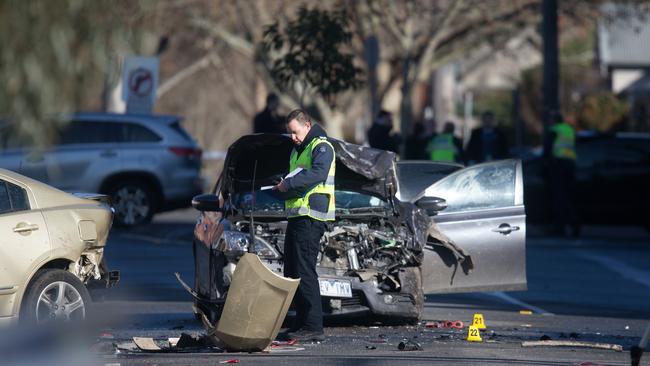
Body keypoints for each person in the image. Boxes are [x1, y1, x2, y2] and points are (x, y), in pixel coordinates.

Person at [273, 109, 335, 342]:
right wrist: (281, 185)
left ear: (307, 125)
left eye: (295, 132)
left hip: (312, 217)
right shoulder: (297, 150)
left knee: (304, 271)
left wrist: (288, 184)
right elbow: (297, 181)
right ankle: (300, 323)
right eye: (289, 133)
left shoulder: (321, 146)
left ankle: (313, 326)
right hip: (298, 216)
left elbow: (317, 174)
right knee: (292, 271)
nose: (292, 137)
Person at [544, 112, 580, 237]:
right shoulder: (569, 130)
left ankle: (560, 227)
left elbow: (547, 149)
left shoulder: (554, 130)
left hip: (558, 166)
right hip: (570, 164)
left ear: (554, 121)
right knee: (570, 197)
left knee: (559, 197)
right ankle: (575, 226)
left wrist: (546, 164)